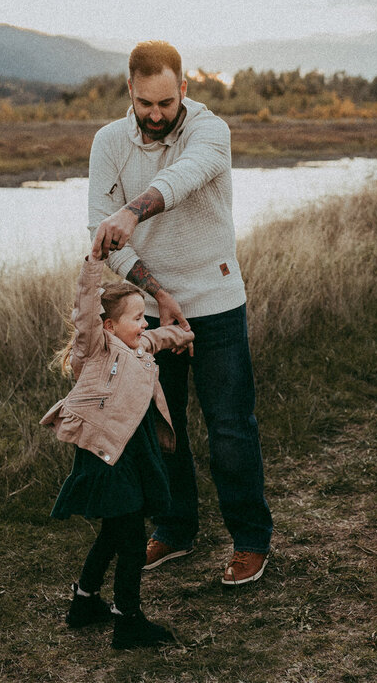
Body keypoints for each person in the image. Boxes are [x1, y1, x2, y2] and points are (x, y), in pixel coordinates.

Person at [87, 40, 273, 586]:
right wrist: (154, 291)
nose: (156, 114)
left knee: (231, 427)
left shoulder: (210, 131)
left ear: (184, 90)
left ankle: (251, 540)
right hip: (148, 309)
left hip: (216, 301)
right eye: (146, 103)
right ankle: (175, 528)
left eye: (167, 102)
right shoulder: (108, 143)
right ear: (130, 92)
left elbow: (185, 177)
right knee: (161, 427)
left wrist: (132, 208)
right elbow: (104, 236)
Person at [41, 257, 194, 649]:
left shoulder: (137, 344)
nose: (144, 325)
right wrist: (94, 263)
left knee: (114, 532)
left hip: (135, 453)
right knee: (130, 541)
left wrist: (182, 337)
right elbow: (85, 311)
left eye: (145, 318)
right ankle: (127, 621)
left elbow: (159, 339)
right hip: (109, 458)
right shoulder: (95, 348)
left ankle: (84, 602)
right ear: (109, 326)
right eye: (137, 318)